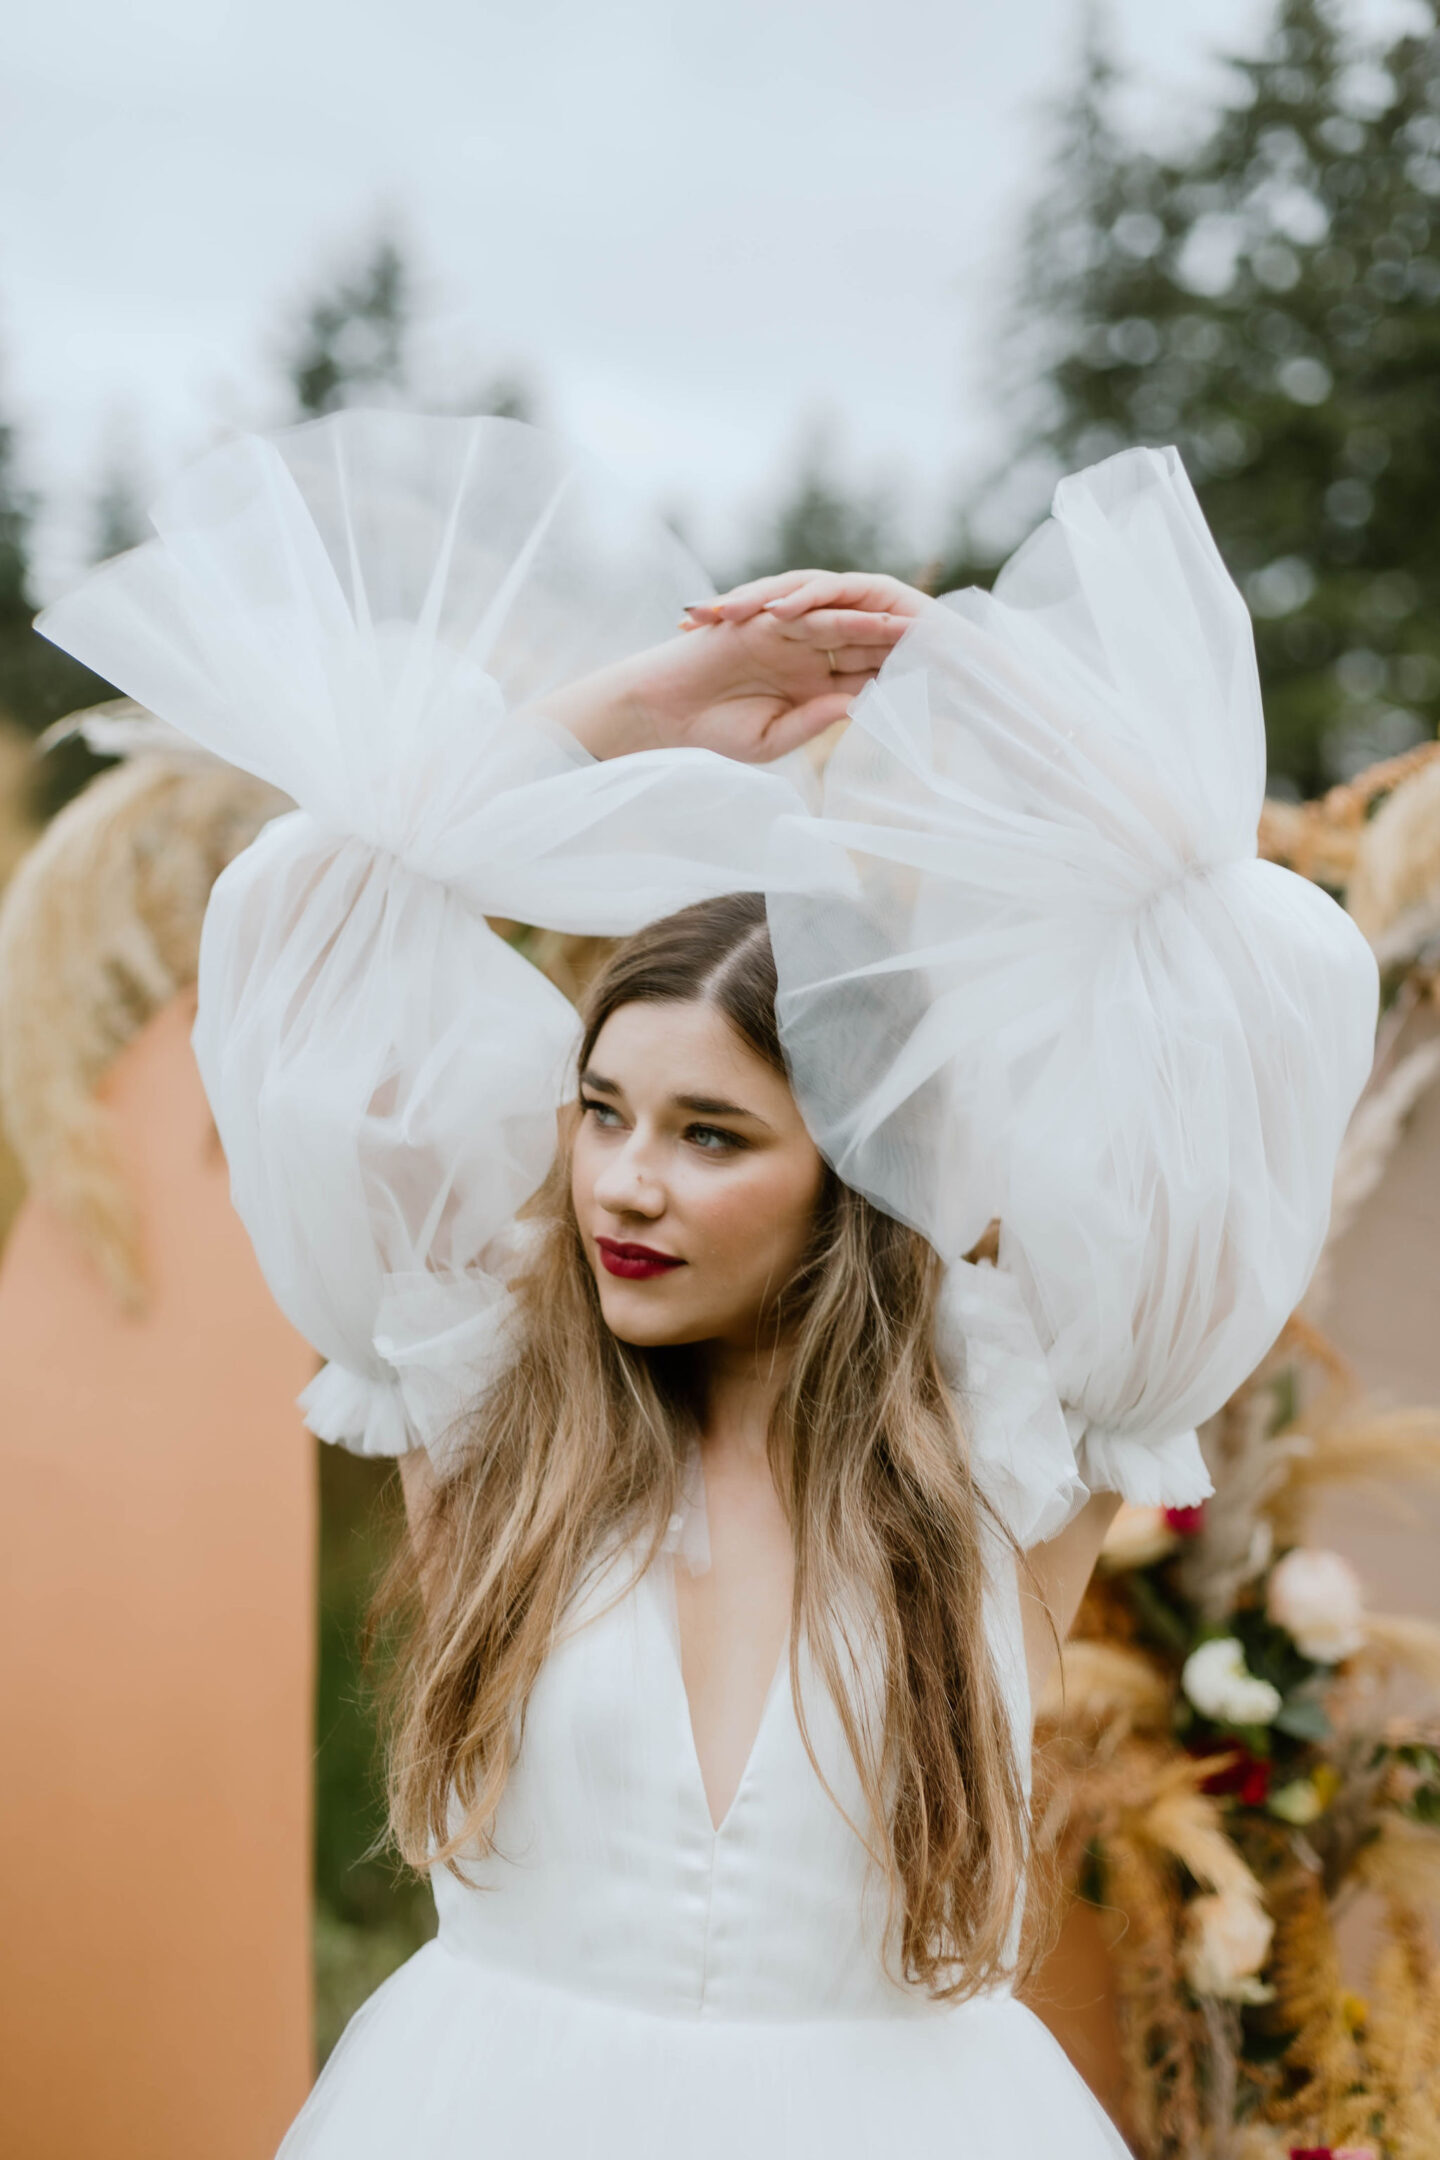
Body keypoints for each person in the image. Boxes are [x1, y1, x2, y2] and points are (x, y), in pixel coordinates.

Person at [38, 410, 1379, 2157]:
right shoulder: (478, 1392)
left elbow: (1266, 980)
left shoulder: (1006, 1450)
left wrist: (983, 707)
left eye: (713, 1135)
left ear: (854, 1184)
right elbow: (311, 919)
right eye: (601, 1111)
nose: (625, 1183)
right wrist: (638, 716)